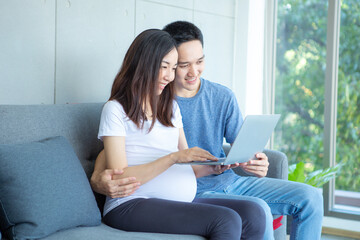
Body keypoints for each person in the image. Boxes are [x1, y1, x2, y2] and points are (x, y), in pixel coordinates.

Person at [92, 22, 324, 239]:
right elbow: (121, 160)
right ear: (148, 64)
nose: (190, 72)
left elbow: (200, 161)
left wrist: (234, 163)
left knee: (295, 202)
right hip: (169, 196)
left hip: (217, 181)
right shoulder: (125, 107)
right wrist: (98, 178)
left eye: (197, 62)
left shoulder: (173, 106)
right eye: (179, 66)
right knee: (240, 216)